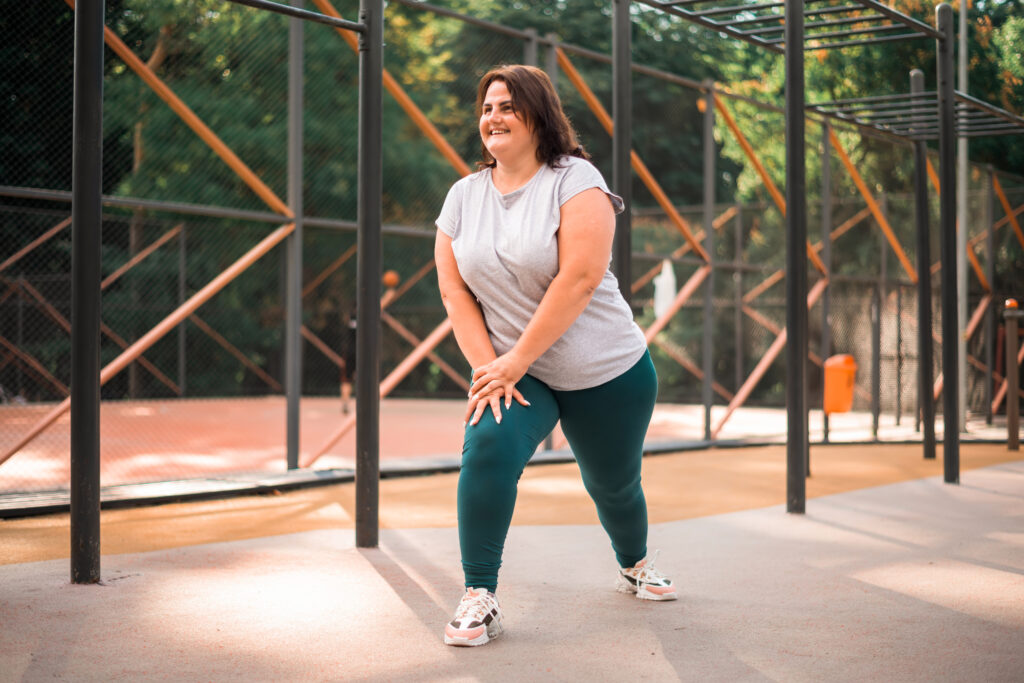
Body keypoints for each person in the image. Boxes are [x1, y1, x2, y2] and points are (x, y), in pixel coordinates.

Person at [434, 64, 675, 648]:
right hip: (521, 373)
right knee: (487, 444)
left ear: (538, 115)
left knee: (613, 484)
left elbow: (581, 278)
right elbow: (453, 290)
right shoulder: (463, 196)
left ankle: (634, 563)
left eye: (507, 106)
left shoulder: (575, 180)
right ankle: (479, 595)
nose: (493, 117)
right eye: (487, 107)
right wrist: (492, 369)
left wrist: (514, 358)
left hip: (605, 368)